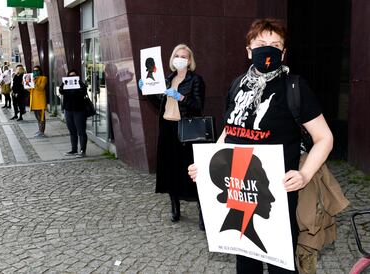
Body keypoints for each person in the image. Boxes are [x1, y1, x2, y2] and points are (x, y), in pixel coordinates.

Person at [188, 18, 333, 273]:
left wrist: (304, 174)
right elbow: (229, 132)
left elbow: (324, 137)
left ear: (284, 52)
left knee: (281, 264)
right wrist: (206, 164)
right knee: (246, 262)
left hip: (275, 195)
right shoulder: (237, 85)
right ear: (248, 50)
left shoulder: (294, 86)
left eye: (275, 44)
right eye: (261, 43)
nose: (269, 49)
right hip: (237, 191)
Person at [139, 44, 206, 230]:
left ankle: (202, 212)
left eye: (184, 56)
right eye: (177, 55)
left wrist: (181, 97)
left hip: (186, 130)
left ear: (190, 60)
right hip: (167, 128)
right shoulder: (167, 79)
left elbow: (198, 106)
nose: (180, 58)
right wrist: (145, 90)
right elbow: (159, 103)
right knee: (170, 170)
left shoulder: (196, 80)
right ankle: (174, 207)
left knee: (192, 172)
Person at [59, 69, 88, 158]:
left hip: (79, 110)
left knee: (81, 131)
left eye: (74, 75)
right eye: (70, 76)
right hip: (68, 110)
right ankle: (74, 149)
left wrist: (78, 85)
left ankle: (83, 150)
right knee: (72, 130)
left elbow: (84, 92)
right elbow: (61, 91)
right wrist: (63, 84)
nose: (71, 77)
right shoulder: (66, 83)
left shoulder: (80, 84)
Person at [29, 65, 48, 137]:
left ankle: (42, 131)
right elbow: (30, 90)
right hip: (34, 101)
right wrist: (26, 85)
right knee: (37, 117)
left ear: (40, 71)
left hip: (40, 101)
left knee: (41, 117)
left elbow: (41, 88)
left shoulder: (43, 78)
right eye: (34, 70)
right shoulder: (33, 79)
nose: (35, 72)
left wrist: (34, 82)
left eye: (37, 70)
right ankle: (40, 129)